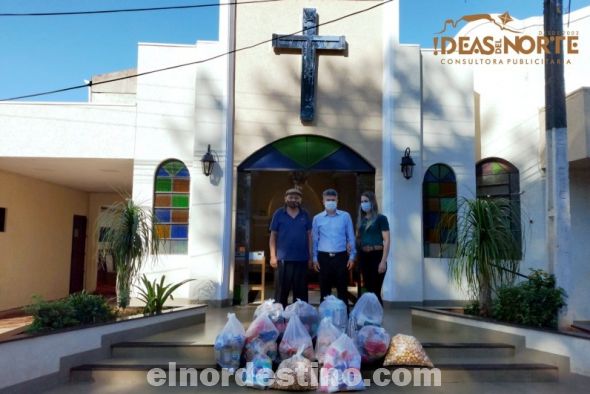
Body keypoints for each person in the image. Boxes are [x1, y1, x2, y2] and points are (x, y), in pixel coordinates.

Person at [269, 188, 313, 307]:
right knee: (281, 294)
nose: (293, 199)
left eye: (296, 198)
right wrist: (273, 256)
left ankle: (300, 321)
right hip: (283, 260)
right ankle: (280, 320)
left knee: (301, 296)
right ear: (285, 199)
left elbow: (310, 236)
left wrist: (311, 257)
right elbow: (273, 236)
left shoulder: (305, 214)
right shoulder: (278, 214)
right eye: (291, 197)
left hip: (302, 260)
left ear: (300, 200)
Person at [312, 188, 356, 304]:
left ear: (337, 200)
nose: (330, 202)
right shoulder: (317, 218)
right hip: (323, 258)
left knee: (342, 290)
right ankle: (325, 319)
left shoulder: (345, 216)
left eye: (333, 199)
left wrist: (352, 257)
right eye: (328, 200)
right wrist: (315, 258)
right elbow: (315, 240)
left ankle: (343, 319)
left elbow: (351, 237)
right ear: (323, 201)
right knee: (324, 291)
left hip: (341, 257)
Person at [356, 191, 390, 305]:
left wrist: (383, 261)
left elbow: (387, 240)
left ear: (372, 202)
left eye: (366, 201)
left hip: (377, 255)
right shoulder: (361, 220)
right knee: (368, 289)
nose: (363, 204)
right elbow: (359, 238)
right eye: (361, 202)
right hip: (364, 256)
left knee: (376, 290)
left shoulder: (381, 219)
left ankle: (378, 318)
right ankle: (369, 318)